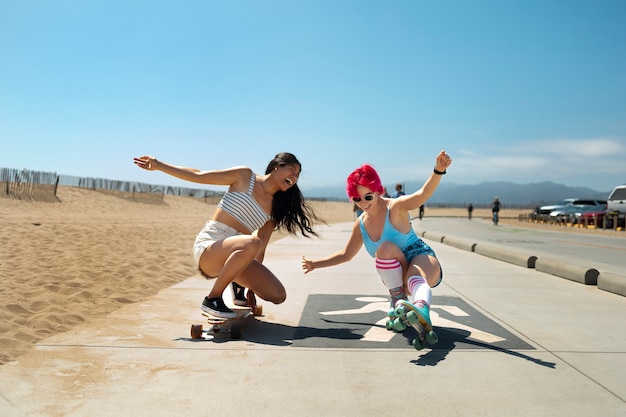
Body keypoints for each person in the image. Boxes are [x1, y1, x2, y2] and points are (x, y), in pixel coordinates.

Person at [133, 152, 321, 318]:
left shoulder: (275, 208)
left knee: (278, 295)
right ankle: (213, 299)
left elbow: (260, 249)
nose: (294, 177)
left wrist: (251, 286)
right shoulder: (244, 176)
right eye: (291, 171)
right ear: (276, 167)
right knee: (251, 242)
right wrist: (159, 165)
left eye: (297, 175)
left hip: (242, 250)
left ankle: (237, 285)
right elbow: (199, 175)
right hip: (210, 247)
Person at [301, 151, 452, 331]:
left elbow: (422, 195)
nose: (363, 203)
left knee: (406, 268)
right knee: (384, 250)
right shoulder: (361, 225)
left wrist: (438, 170)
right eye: (357, 199)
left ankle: (421, 308)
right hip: (397, 277)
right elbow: (345, 255)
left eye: (368, 196)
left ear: (378, 190)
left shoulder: (395, 207)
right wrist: (314, 264)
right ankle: (398, 301)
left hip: (423, 262)